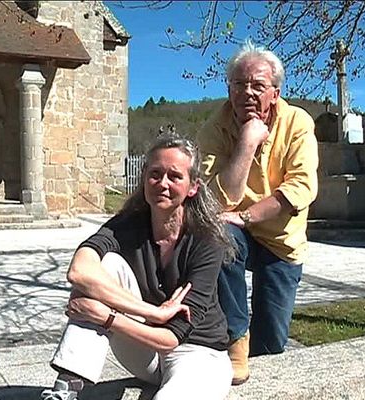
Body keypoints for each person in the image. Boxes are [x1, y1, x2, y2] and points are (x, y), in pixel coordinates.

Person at [41, 134, 236, 400]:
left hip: (199, 353)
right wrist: (153, 313)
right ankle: (66, 389)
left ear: (193, 187)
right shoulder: (128, 225)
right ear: (144, 177)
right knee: (106, 265)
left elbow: (171, 338)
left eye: (174, 176)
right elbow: (79, 272)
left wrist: (107, 317)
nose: (162, 183)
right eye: (155, 173)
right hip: (144, 349)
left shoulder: (206, 240)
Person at [197, 40, 319, 385]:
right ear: (229, 89)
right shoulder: (214, 129)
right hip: (234, 230)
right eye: (239, 84)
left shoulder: (298, 123)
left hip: (281, 240)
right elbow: (215, 202)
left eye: (257, 85)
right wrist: (247, 142)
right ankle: (235, 339)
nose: (247, 92)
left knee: (271, 342)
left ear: (275, 93)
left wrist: (247, 216)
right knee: (217, 236)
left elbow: (300, 188)